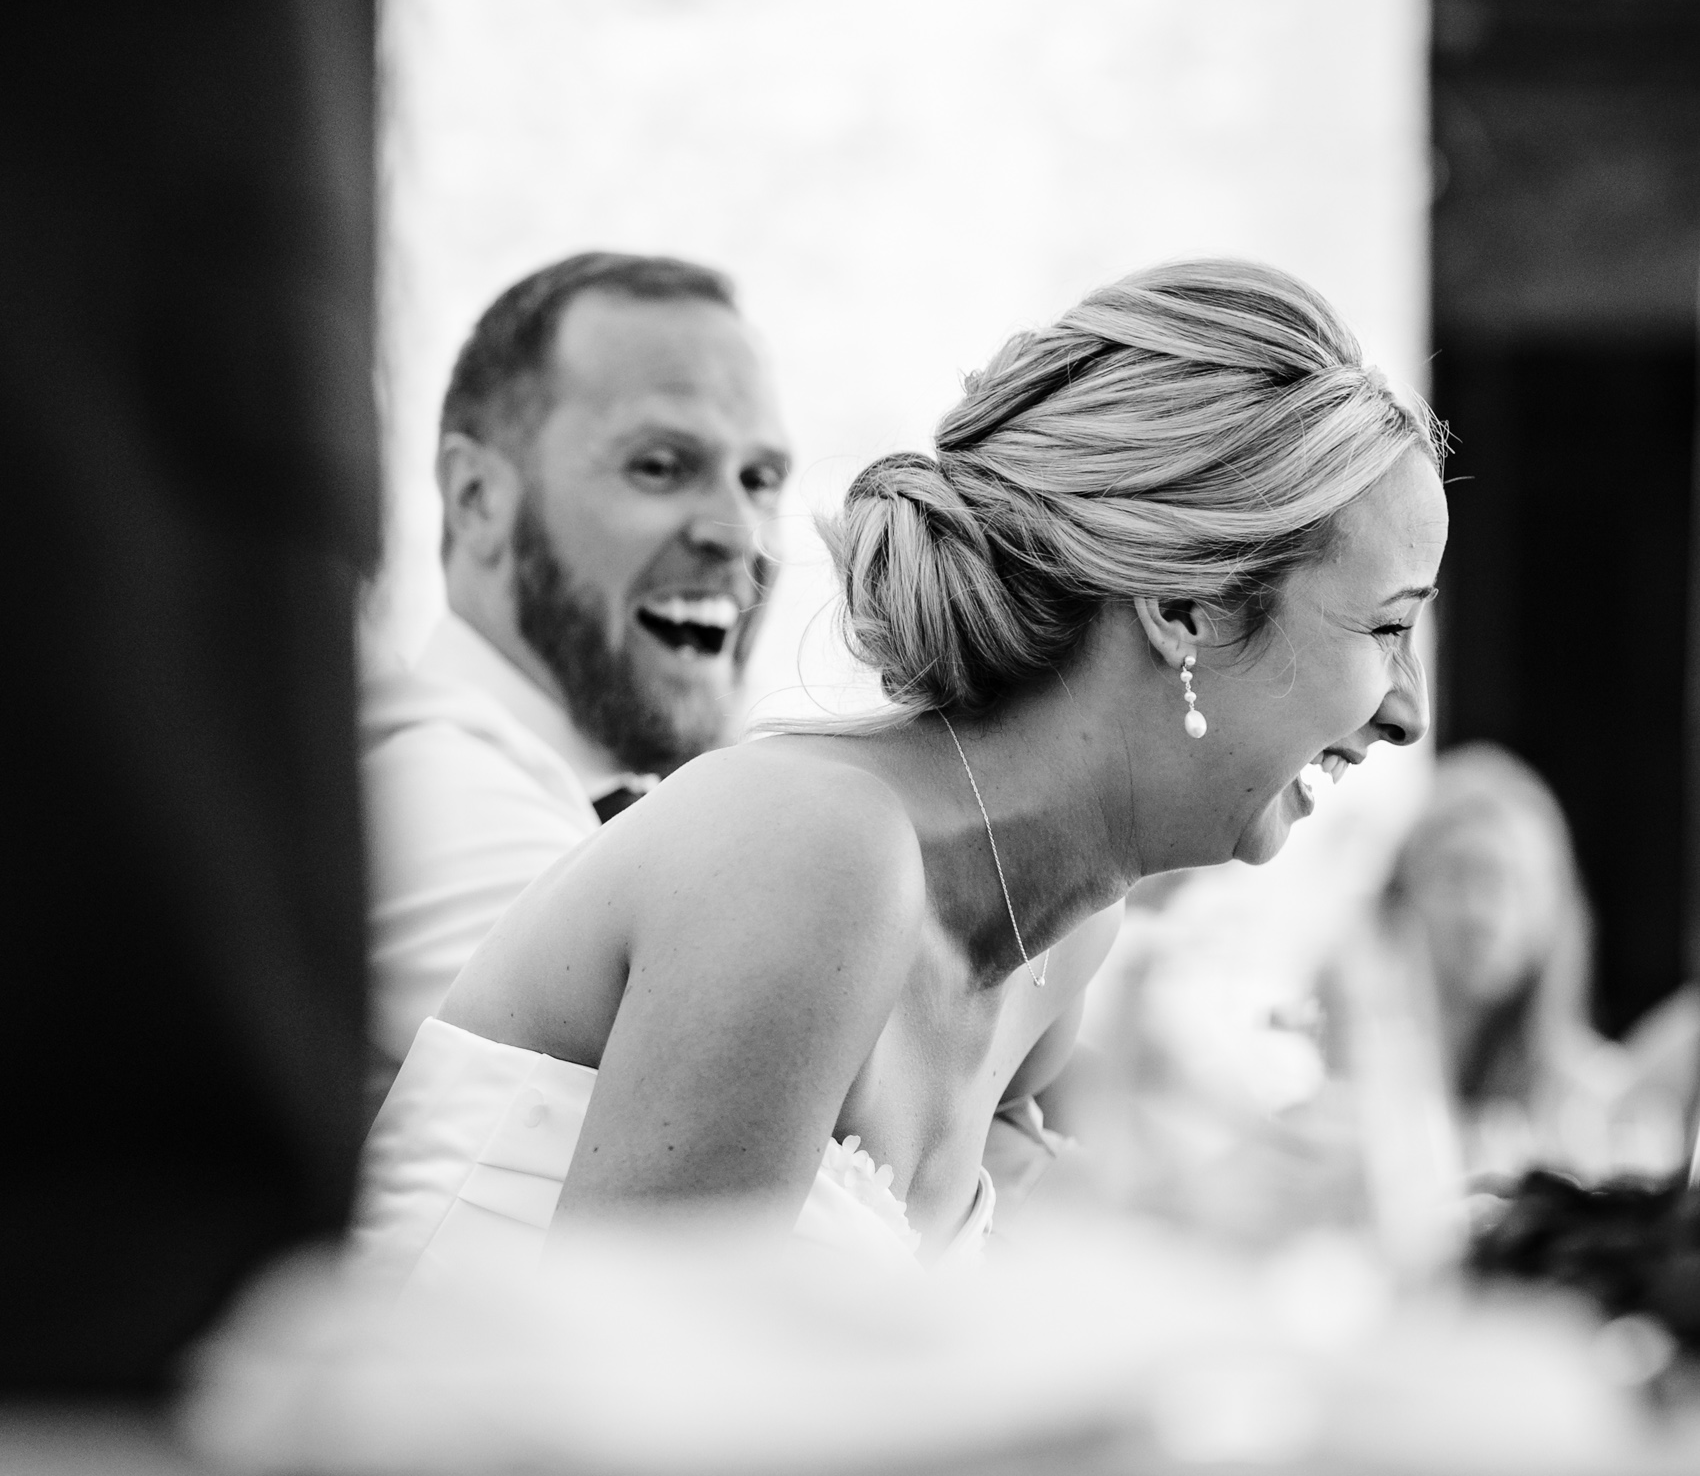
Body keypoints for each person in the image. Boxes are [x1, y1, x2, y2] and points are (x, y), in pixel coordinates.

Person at [356, 258, 1449, 1292]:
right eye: (1388, 627)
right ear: (1182, 606)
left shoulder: (1061, 944)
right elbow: (638, 1396)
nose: (1409, 711)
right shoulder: (811, 849)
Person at [361, 253, 792, 1083]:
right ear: (478, 498)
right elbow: (735, 1120)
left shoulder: (654, 815)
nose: (740, 534)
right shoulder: (436, 796)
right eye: (660, 466)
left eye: (761, 479)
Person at [1365, 743, 1700, 1179]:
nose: (1480, 913)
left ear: (1555, 908)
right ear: (1401, 893)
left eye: (1512, 882)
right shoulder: (1353, 1073)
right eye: (1456, 875)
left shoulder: (1593, 1104)